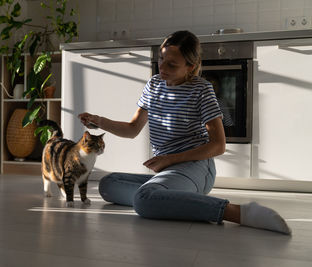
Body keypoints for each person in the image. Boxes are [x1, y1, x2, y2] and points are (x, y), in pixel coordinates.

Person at [78, 30, 291, 235]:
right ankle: (167, 197)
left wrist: (170, 159)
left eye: (172, 64)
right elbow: (132, 129)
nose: (162, 68)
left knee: (143, 200)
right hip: (168, 170)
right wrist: (100, 122)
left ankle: (239, 212)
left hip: (196, 167)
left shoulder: (201, 89)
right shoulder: (153, 85)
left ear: (191, 66)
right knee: (108, 185)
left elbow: (218, 145)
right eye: (161, 60)